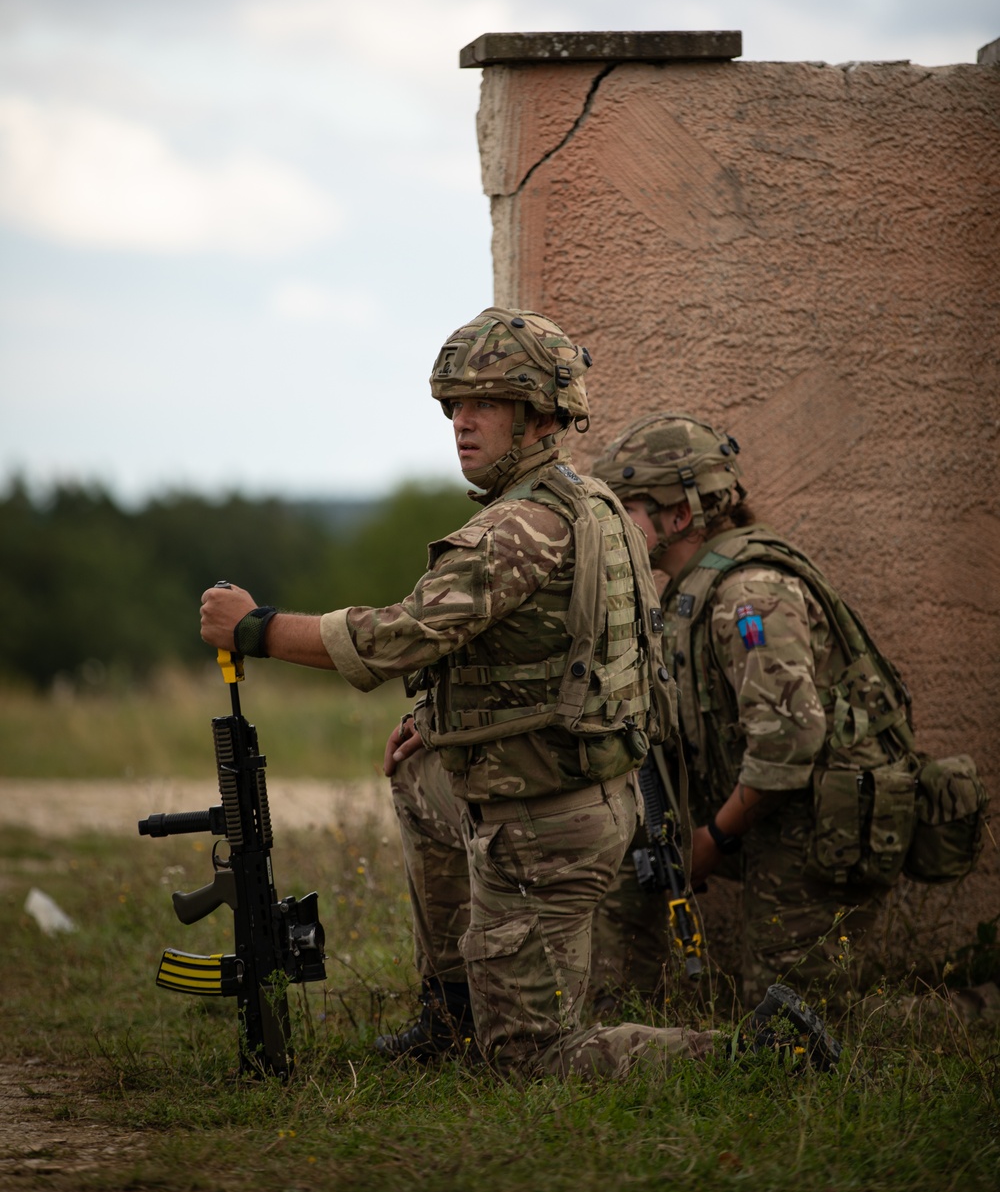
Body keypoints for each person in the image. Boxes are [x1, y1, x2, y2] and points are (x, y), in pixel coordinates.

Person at [200, 317, 839, 1076]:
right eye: (453, 407)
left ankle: (758, 1054)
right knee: (416, 777)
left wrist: (257, 629)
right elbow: (538, 656)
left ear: (539, 415)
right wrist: (433, 721)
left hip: (546, 823)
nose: (462, 423)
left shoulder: (522, 527)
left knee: (530, 1060)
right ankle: (451, 1015)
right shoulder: (591, 502)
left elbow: (396, 637)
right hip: (555, 788)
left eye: (485, 404)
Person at [590, 412, 920, 1008]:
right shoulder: (691, 585)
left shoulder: (749, 594)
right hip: (776, 809)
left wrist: (712, 837)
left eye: (626, 512)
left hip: (823, 819)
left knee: (799, 1019)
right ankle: (618, 1011)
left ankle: (975, 1009)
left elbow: (790, 739)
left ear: (679, 516)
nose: (615, 528)